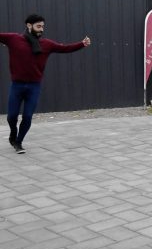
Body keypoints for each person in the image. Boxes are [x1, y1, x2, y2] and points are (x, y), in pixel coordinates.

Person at [1, 14, 91, 154]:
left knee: (28, 116)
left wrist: (82, 44)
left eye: (42, 26)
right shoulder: (13, 39)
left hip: (34, 87)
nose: (41, 29)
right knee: (11, 116)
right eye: (38, 26)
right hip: (17, 86)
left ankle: (18, 142)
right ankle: (13, 132)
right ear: (29, 26)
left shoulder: (47, 44)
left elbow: (64, 48)